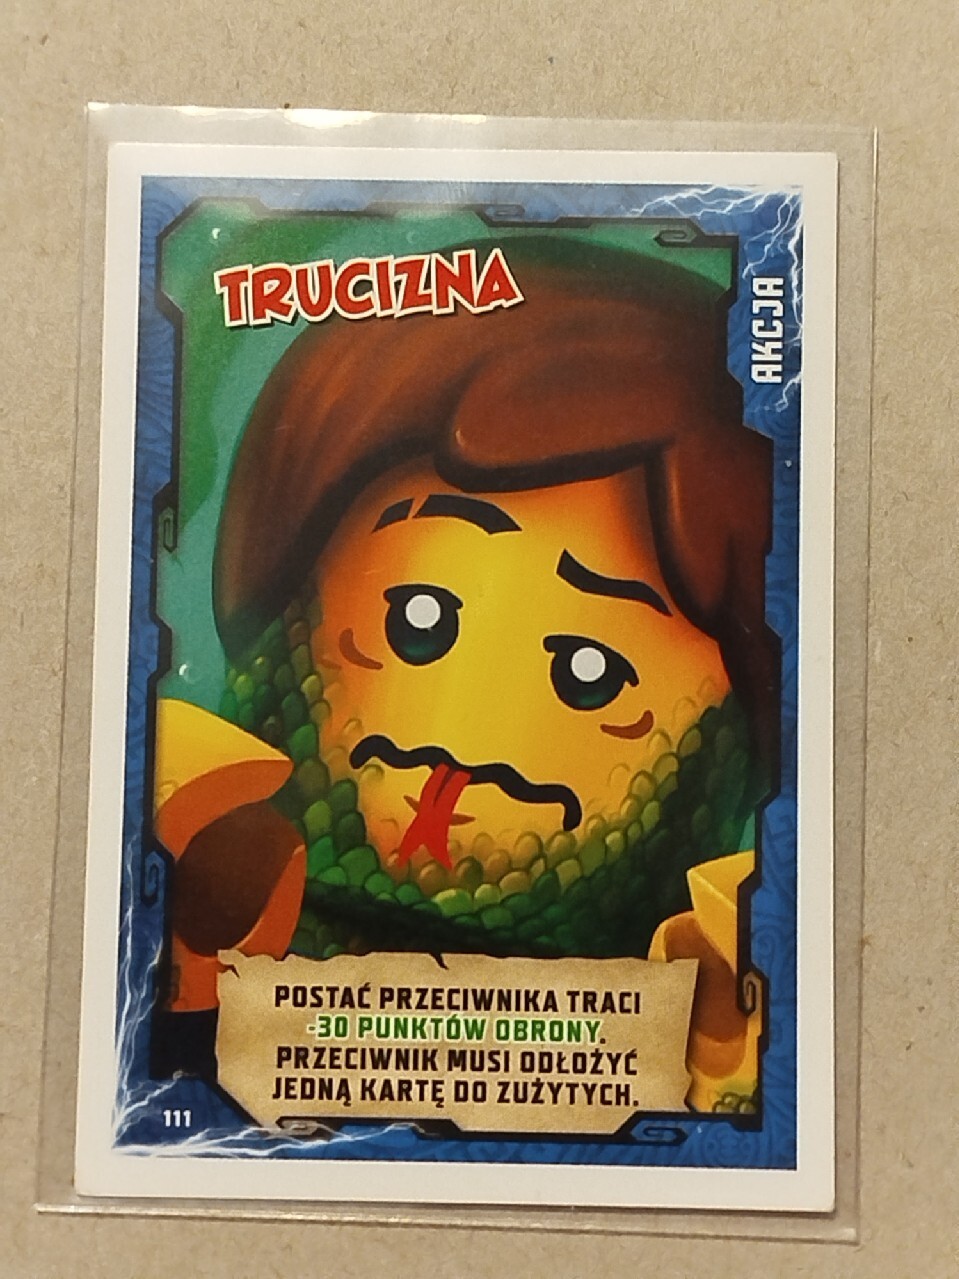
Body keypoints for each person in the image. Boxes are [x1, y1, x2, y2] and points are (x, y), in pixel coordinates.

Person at [156, 238, 777, 1108]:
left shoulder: (726, 1028)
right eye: (417, 623)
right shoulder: (163, 894)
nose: (465, 738)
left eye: (590, 675)